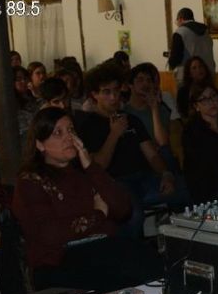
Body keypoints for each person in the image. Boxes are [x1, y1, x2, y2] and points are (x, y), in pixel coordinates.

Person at [13, 108, 165, 293]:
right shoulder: (30, 181)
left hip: (101, 250)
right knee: (119, 269)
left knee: (150, 261)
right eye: (58, 133)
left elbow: (123, 209)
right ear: (40, 144)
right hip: (59, 261)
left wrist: (90, 166)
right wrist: (98, 215)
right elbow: (49, 234)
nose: (68, 137)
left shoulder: (84, 172)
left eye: (70, 130)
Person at [74, 64, 179, 229]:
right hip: (116, 181)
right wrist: (114, 134)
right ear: (95, 95)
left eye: (116, 91)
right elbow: (99, 166)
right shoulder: (89, 125)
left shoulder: (131, 119)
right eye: (106, 92)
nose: (114, 97)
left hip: (145, 176)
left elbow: (152, 154)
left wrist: (165, 173)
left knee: (184, 192)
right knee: (133, 215)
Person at [168, 7, 215, 84]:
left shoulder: (180, 32)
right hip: (208, 73)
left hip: (188, 76)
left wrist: (171, 62)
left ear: (180, 19)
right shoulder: (206, 32)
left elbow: (175, 58)